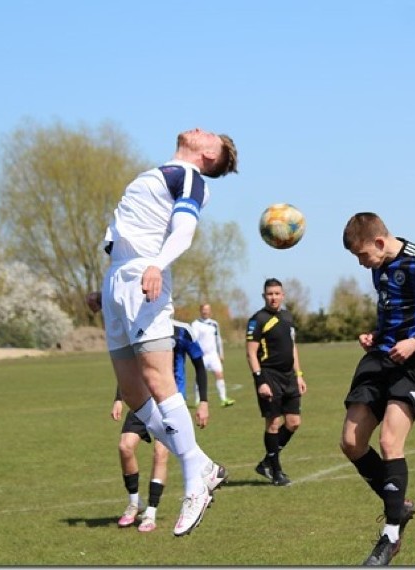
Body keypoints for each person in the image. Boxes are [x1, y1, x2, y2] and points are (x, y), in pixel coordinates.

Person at [99, 127, 238, 537]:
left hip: (146, 275)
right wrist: (105, 287)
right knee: (133, 392)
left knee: (160, 381)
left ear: (209, 154)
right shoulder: (155, 174)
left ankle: (196, 483)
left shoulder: (189, 176)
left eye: (208, 133)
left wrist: (156, 264)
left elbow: (183, 230)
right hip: (116, 280)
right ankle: (202, 464)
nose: (198, 129)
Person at [339, 213, 415, 566]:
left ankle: (390, 536)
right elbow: (392, 310)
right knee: (351, 441)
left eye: (363, 256)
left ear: (379, 242)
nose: (363, 265)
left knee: (390, 442)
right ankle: (399, 506)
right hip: (382, 356)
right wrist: (375, 335)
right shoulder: (380, 268)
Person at [110, 319, 210, 533]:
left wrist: (203, 402)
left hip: (169, 404)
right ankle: (134, 503)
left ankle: (151, 513)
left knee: (160, 453)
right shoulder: (139, 326)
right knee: (125, 446)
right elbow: (129, 367)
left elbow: (200, 367)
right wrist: (119, 397)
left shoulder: (183, 331)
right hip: (141, 400)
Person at [246, 278, 307, 487]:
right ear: (264, 296)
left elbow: (293, 347)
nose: (273, 297)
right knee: (273, 423)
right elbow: (251, 353)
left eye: (277, 293)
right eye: (269, 294)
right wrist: (260, 381)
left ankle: (266, 463)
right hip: (269, 376)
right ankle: (276, 470)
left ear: (283, 295)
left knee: (293, 423)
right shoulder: (258, 320)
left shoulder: (287, 317)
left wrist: (298, 374)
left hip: (289, 376)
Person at [192, 303, 235, 407]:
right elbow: (194, 340)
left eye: (208, 310)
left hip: (213, 355)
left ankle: (224, 399)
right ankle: (197, 400)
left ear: (210, 311)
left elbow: (218, 339)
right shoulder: (195, 324)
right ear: (201, 311)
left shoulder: (214, 324)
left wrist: (221, 353)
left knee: (219, 374)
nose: (206, 312)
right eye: (204, 309)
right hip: (201, 356)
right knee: (199, 377)